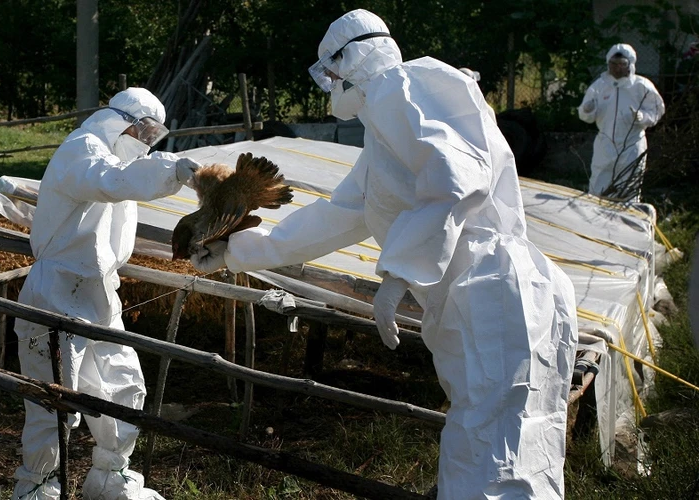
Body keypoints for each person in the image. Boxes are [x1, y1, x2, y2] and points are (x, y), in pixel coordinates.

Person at [191, 9, 578, 499]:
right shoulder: (383, 137)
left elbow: (455, 180)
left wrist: (398, 272)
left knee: (497, 464)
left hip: (497, 291)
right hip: (491, 295)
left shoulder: (401, 88)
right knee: (499, 456)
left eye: (328, 74)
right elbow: (337, 216)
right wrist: (238, 251)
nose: (327, 86)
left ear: (352, 61)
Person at [12, 87, 203, 499]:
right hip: (57, 290)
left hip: (100, 291)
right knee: (53, 400)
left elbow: (124, 181)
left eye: (155, 136)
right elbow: (109, 181)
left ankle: (110, 478)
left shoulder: (118, 160)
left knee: (121, 382)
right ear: (121, 120)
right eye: (144, 131)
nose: (147, 142)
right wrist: (174, 170)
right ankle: (38, 487)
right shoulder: (82, 149)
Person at [578, 43, 665, 202]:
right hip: (605, 142)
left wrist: (642, 117)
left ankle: (625, 221)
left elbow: (656, 111)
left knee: (629, 184)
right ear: (608, 64)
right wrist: (587, 110)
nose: (617, 68)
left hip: (632, 143)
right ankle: (594, 221)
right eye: (613, 64)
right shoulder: (599, 86)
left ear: (630, 65)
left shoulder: (641, 86)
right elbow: (586, 116)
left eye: (621, 64)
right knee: (599, 182)